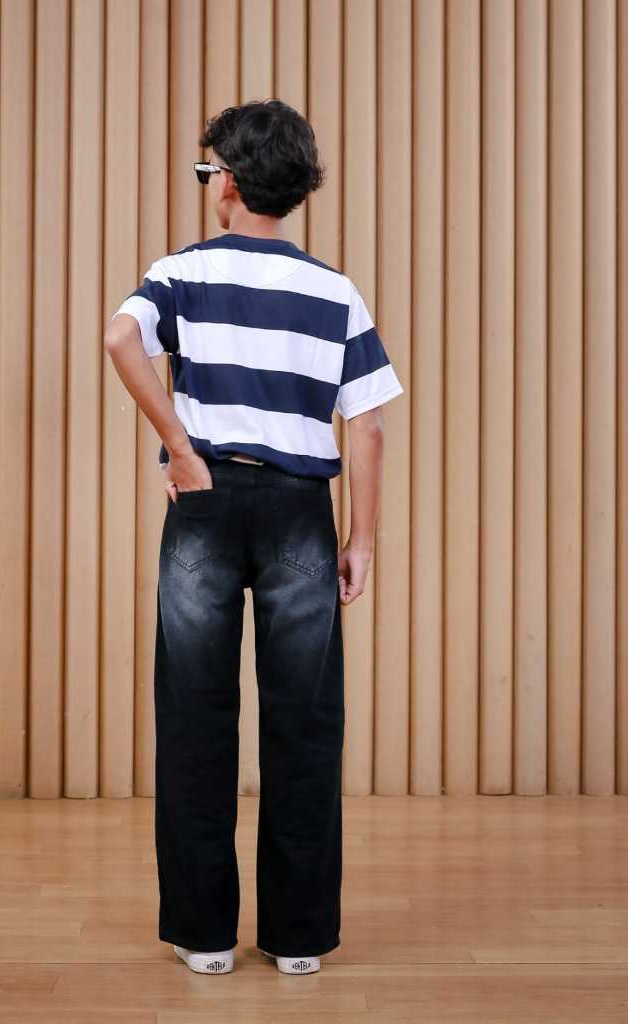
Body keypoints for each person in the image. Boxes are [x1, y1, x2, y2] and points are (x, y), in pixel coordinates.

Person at [103, 99, 404, 976]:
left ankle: (204, 938)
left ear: (227, 183)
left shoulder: (181, 272)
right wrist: (362, 540)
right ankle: (299, 940)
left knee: (195, 716)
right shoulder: (334, 291)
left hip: (206, 500)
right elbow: (369, 426)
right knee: (305, 721)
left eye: (210, 171)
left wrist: (181, 446)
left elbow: (120, 338)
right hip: (301, 507)